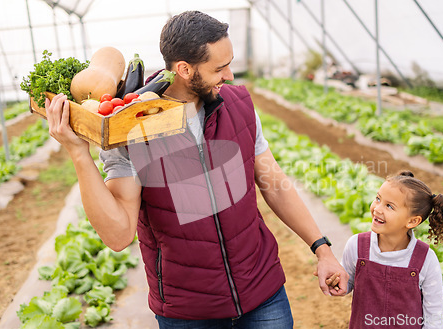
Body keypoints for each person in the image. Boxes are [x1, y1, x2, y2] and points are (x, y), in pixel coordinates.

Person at [45, 10, 348, 328]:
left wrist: (321, 248)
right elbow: (118, 234)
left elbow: (273, 182)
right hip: (188, 311)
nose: (230, 76)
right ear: (184, 69)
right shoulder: (130, 129)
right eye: (220, 68)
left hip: (263, 294)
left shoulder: (239, 105)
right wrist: (79, 153)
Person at [329, 170, 443, 329]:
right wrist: (337, 283)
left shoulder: (426, 259)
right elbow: (348, 282)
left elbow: (434, 316)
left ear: (412, 221)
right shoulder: (356, 246)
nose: (377, 209)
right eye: (378, 198)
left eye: (389, 206)